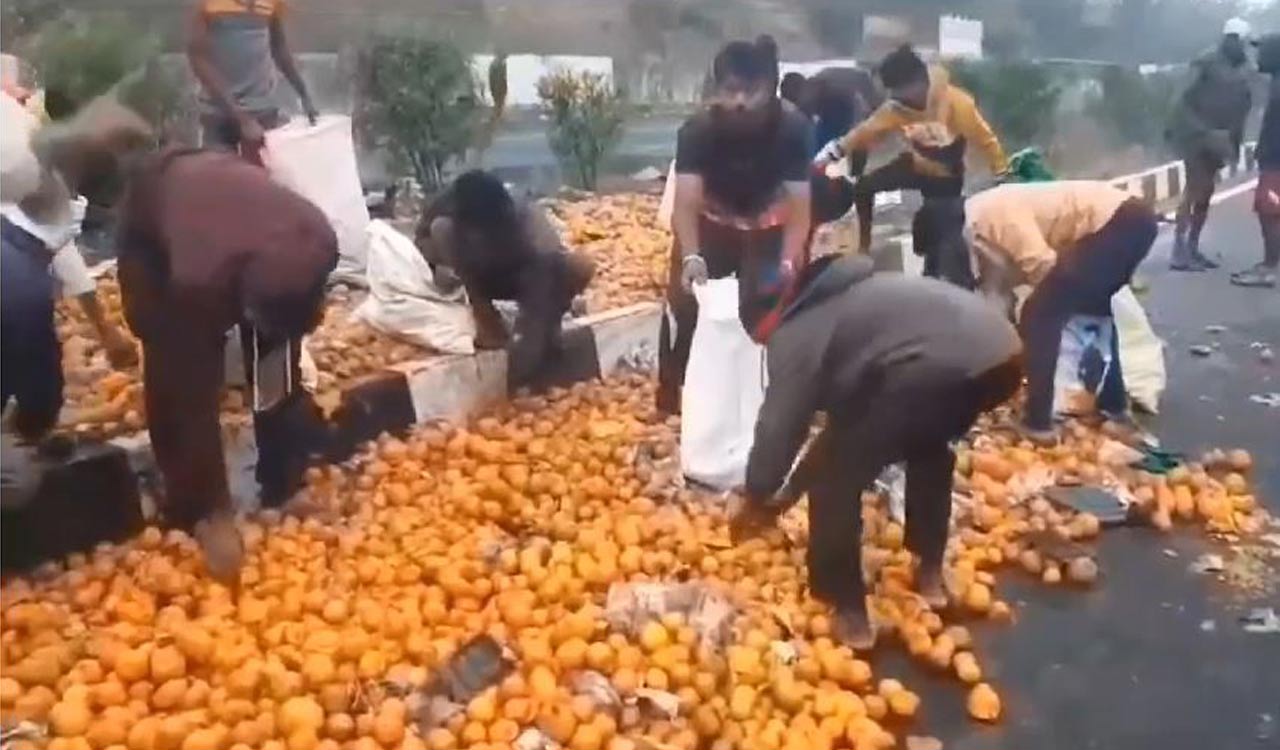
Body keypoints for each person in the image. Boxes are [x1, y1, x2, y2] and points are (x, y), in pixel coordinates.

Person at [729, 254, 1022, 649]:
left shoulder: (796, 330)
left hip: (929, 370)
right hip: (999, 357)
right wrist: (788, 491)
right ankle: (930, 574)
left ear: (763, 320)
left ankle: (847, 607)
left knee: (836, 486)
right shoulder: (858, 301)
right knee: (929, 447)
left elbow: (781, 425)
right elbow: (841, 431)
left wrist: (757, 491)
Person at [116, 148, 338, 582]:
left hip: (217, 193)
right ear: (241, 301)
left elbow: (280, 357)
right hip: (153, 212)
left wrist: (286, 484)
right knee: (170, 362)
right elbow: (193, 401)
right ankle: (187, 506)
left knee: (278, 361)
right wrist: (217, 510)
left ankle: (279, 480)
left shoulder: (319, 240)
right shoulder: (197, 281)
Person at [656, 37, 814, 414]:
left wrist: (792, 260)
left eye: (751, 91)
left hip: (766, 223)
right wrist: (692, 254)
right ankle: (671, 391)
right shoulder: (698, 130)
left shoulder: (793, 128)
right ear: (717, 90)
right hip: (712, 220)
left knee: (764, 310)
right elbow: (686, 201)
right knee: (685, 305)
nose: (739, 102)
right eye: (730, 91)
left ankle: (761, 396)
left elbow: (800, 206)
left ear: (771, 89)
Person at [965, 181, 1159, 442]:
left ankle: (1038, 421)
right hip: (1134, 223)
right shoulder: (988, 212)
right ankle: (1114, 407)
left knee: (1039, 315)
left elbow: (1042, 265)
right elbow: (997, 282)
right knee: (1095, 313)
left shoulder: (993, 214)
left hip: (1118, 223)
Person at [813, 45, 1008, 255]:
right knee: (863, 187)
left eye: (896, 91)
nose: (893, 97)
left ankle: (939, 265)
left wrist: (1001, 172)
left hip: (946, 176)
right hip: (915, 165)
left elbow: (985, 139)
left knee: (934, 231)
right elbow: (865, 131)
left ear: (917, 83)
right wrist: (834, 152)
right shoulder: (896, 108)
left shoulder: (957, 104)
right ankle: (864, 247)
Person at [414, 170, 596, 389]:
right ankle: (491, 323)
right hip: (482, 275)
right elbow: (422, 239)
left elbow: (545, 276)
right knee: (441, 231)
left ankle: (550, 328)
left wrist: (534, 335)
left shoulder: (528, 222)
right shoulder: (449, 217)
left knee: (579, 266)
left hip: (526, 272)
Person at [1167, 17, 1254, 272]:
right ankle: (1179, 250)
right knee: (1194, 189)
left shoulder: (1244, 69)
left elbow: (1243, 109)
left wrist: (1234, 145)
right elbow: (1181, 98)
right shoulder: (1205, 61)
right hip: (1196, 137)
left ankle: (1192, 247)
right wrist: (1201, 131)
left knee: (1205, 194)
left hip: (1221, 140)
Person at [187, 0, 318, 163]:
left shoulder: (271, 4)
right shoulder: (209, 5)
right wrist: (242, 118)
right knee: (219, 180)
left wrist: (303, 93)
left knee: (262, 180)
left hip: (262, 110)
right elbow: (198, 57)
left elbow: (279, 47)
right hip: (219, 114)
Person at [1233, 33, 1280, 288]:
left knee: (1270, 212)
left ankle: (1269, 269)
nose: (1258, 56)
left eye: (1262, 51)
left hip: (1276, 163)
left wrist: (1265, 151)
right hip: (1273, 160)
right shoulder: (1275, 82)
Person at [780, 66, 882, 169]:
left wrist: (875, 107)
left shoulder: (832, 77)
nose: (805, 105)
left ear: (806, 85)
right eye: (798, 103)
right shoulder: (808, 111)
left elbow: (864, 80)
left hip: (855, 115)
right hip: (835, 127)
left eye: (800, 100)